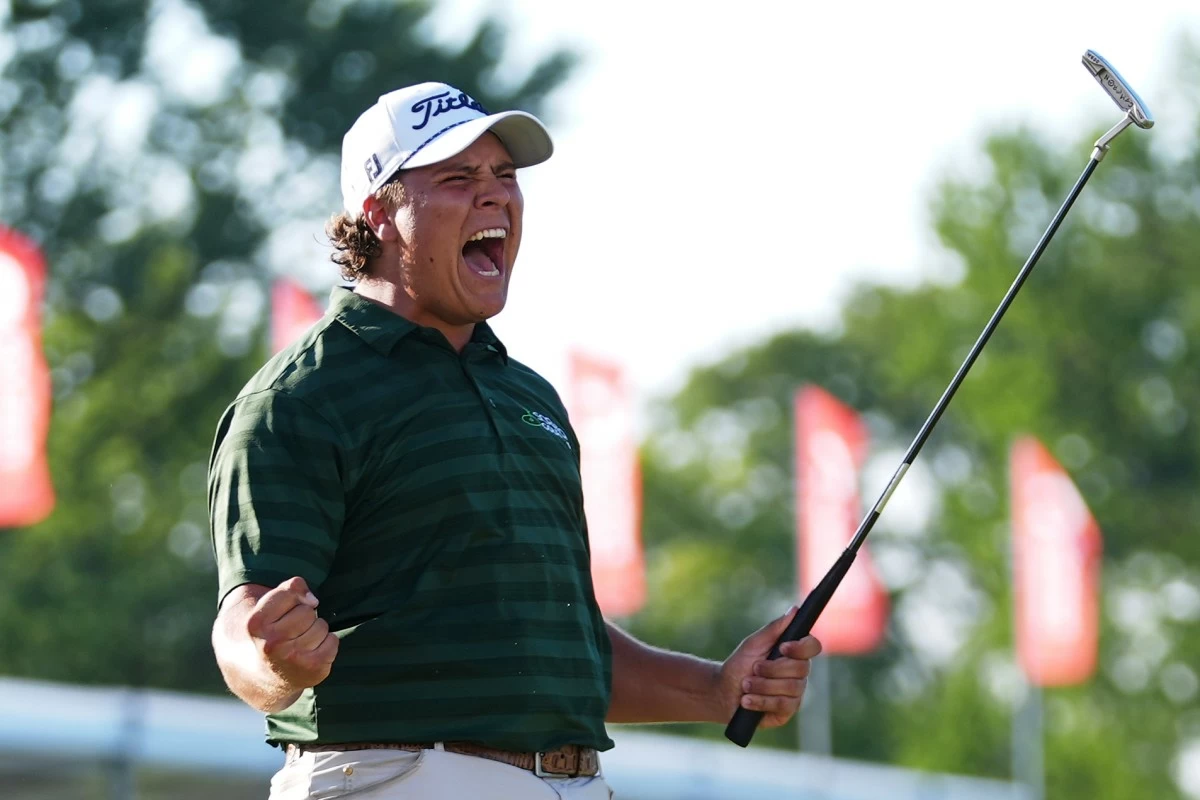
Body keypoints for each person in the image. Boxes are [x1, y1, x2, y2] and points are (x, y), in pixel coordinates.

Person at [207, 81, 822, 800]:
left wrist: (716, 689)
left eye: (504, 175)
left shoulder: (529, 395)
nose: (495, 195)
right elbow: (242, 627)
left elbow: (558, 645)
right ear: (378, 213)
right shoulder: (301, 398)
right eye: (458, 178)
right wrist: (272, 661)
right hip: (395, 779)